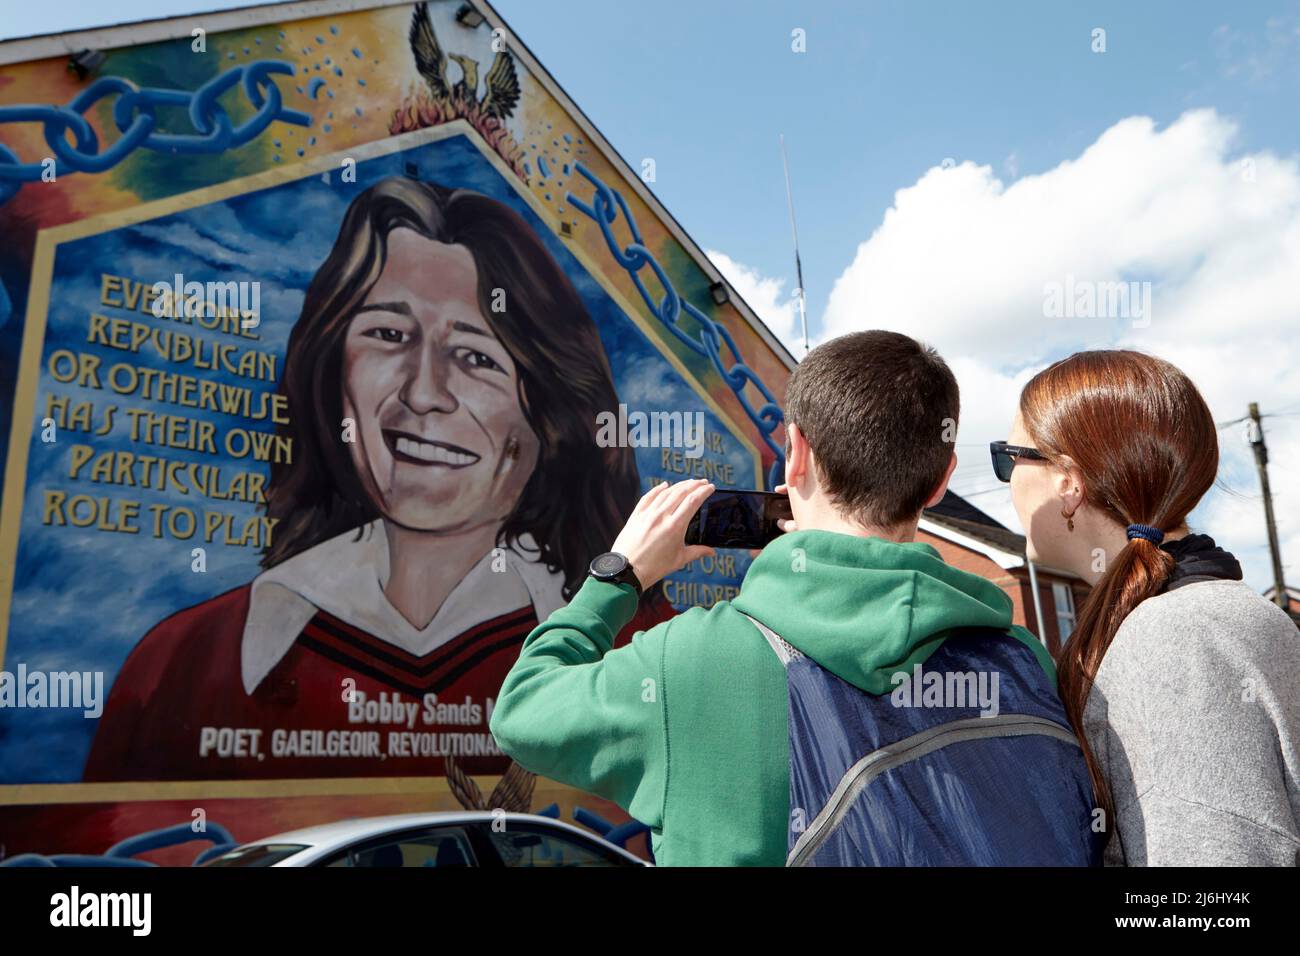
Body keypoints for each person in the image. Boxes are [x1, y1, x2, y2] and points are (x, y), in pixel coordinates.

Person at [84, 178, 670, 782]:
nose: (422, 393)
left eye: (476, 357)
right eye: (388, 335)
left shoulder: (645, 655)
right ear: (333, 370)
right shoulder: (184, 664)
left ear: (546, 410)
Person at [491, 330, 1099, 866]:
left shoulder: (687, 663)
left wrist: (618, 577)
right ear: (942, 479)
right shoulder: (1025, 660)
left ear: (797, 451)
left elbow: (521, 711)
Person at [994, 349, 1300, 865]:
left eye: (1009, 458)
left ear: (1068, 483)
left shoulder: (1172, 639)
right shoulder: (1200, 615)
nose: (1008, 486)